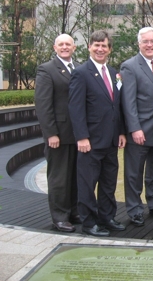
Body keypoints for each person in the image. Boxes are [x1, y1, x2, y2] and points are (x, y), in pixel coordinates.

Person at [68, 30, 127, 237]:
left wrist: (120, 132)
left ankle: (107, 217)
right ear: (89, 47)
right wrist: (81, 137)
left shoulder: (113, 73)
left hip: (111, 140)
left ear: (109, 49)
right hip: (90, 141)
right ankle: (89, 222)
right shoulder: (81, 72)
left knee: (109, 182)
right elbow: (75, 108)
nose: (100, 49)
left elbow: (116, 105)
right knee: (87, 183)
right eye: (96, 45)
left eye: (104, 45)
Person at [120, 27, 153, 227]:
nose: (149, 45)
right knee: (134, 173)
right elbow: (129, 101)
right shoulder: (130, 66)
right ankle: (134, 209)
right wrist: (134, 128)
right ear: (139, 44)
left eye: (152, 41)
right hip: (140, 131)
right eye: (145, 41)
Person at [35, 34, 79, 233]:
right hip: (59, 136)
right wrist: (51, 133)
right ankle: (60, 217)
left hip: (78, 134)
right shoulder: (47, 69)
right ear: (55, 47)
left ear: (74, 47)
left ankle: (74, 212)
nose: (64, 47)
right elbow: (43, 105)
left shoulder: (79, 67)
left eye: (68, 44)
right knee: (59, 178)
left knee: (76, 176)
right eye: (61, 44)